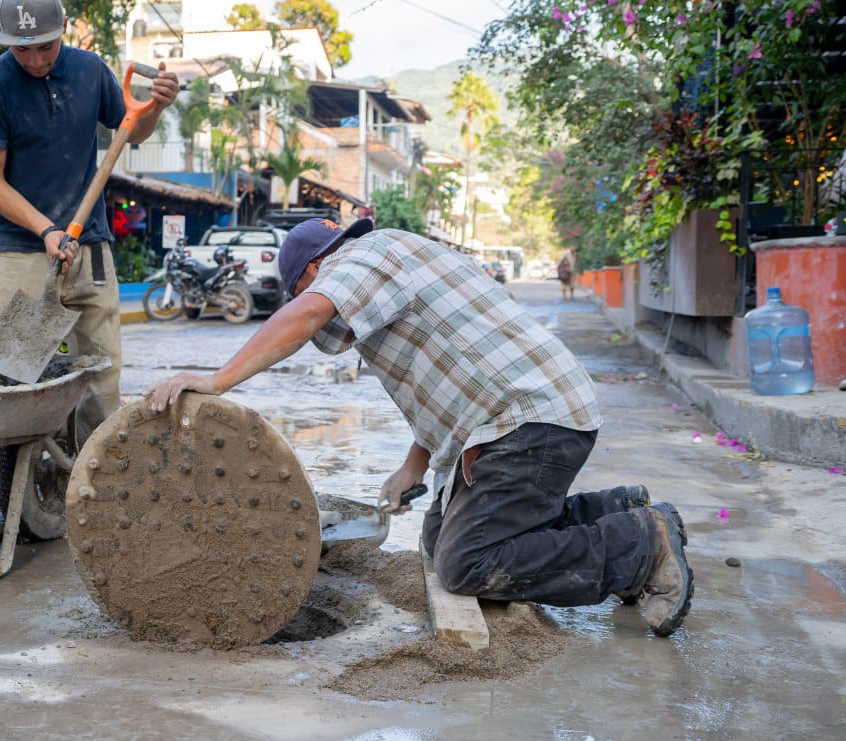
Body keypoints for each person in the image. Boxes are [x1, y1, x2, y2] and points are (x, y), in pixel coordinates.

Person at [145, 219, 694, 637]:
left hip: (529, 420)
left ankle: (640, 546)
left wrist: (219, 380)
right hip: (515, 420)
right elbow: (439, 388)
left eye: (303, 291)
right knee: (438, 535)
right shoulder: (393, 267)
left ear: (314, 271)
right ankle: (614, 510)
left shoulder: (364, 256)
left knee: (465, 562)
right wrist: (412, 467)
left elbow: (310, 313)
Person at [0, 0, 179, 444]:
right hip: (23, 250)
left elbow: (132, 130)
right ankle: (20, 501)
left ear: (63, 29)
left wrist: (157, 107)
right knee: (19, 378)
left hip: (91, 245)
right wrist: (46, 230)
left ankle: (95, 491)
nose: (36, 61)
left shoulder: (90, 71)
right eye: (23, 51)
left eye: (45, 47)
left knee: (103, 380)